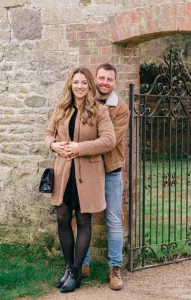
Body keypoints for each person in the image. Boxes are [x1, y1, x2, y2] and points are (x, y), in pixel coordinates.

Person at [44, 67, 116, 293]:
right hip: (64, 173)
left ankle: (76, 271)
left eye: (84, 82)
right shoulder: (62, 108)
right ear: (71, 84)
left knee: (84, 221)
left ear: (89, 85)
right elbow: (48, 133)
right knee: (63, 217)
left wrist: (80, 148)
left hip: (88, 174)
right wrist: (53, 145)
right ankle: (68, 267)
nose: (80, 86)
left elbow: (109, 140)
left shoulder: (98, 111)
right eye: (76, 82)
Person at [82, 63, 129, 290]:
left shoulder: (121, 109)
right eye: (101, 78)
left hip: (111, 171)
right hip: (88, 170)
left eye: (109, 79)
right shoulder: (85, 102)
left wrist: (83, 145)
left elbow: (108, 141)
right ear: (95, 78)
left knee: (113, 220)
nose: (104, 83)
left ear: (114, 82)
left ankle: (115, 268)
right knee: (85, 218)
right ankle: (82, 264)